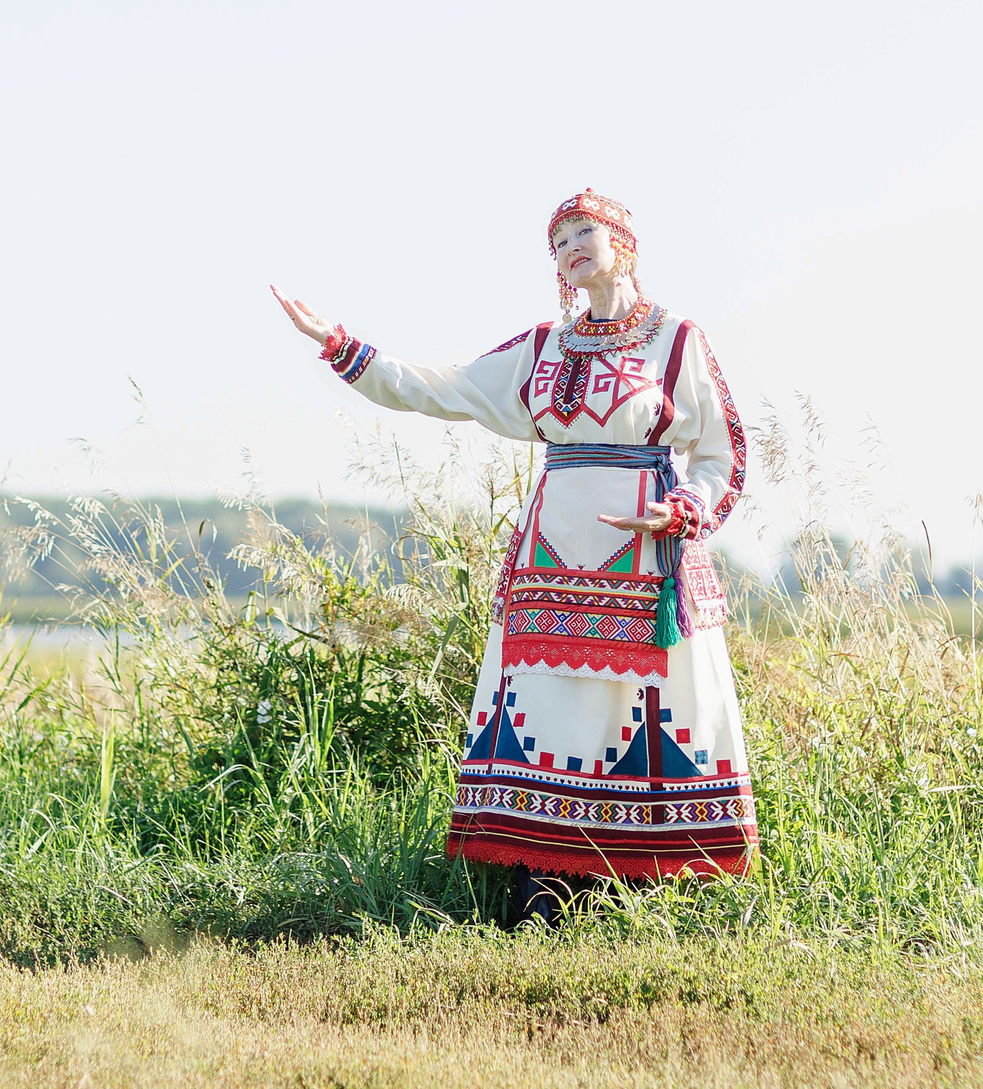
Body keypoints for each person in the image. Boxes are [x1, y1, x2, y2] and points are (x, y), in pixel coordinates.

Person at [271, 189, 754, 921]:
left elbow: (722, 450)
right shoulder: (543, 346)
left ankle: (643, 890)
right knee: (550, 712)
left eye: (583, 231)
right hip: (550, 557)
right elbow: (444, 387)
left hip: (647, 558)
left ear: (622, 240)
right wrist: (343, 346)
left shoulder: (676, 339)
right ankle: (544, 892)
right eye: (558, 242)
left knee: (643, 715)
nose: (570, 247)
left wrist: (682, 508)